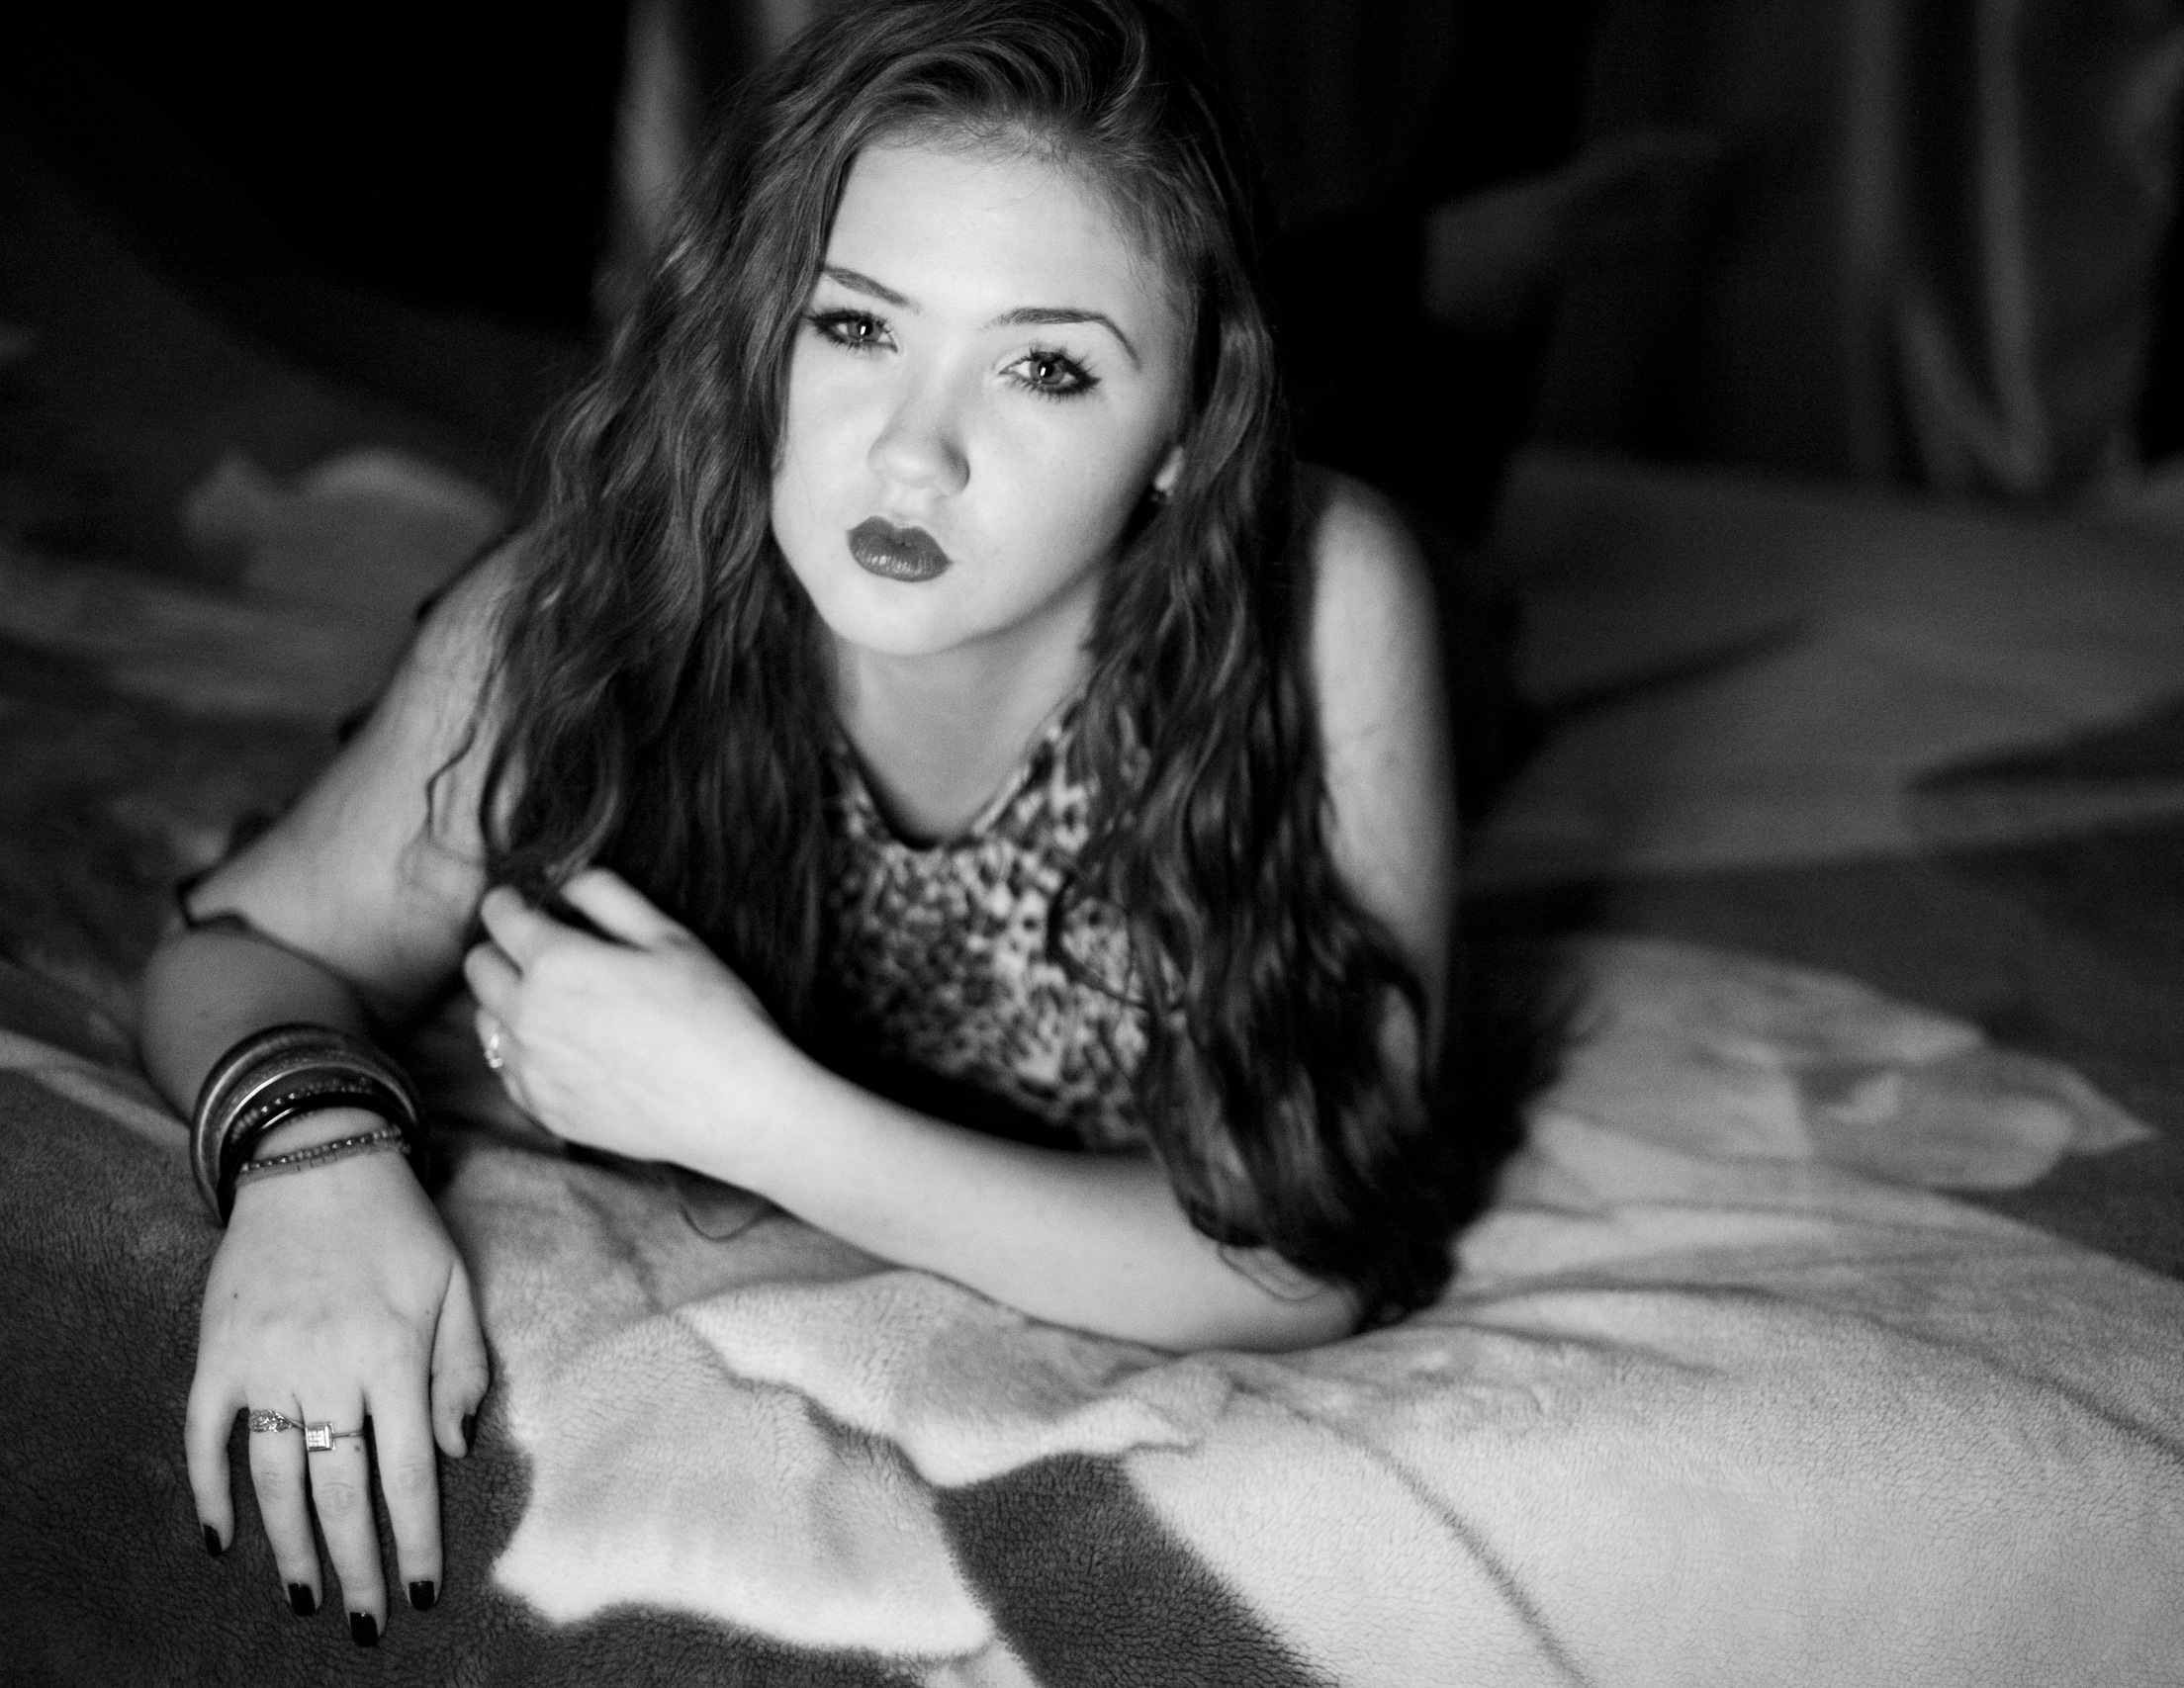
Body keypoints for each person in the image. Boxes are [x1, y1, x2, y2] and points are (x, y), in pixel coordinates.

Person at [138, 0, 1507, 1650]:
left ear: (1180, 425)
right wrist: (312, 1156)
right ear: (762, 330)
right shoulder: (589, 612)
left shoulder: (1317, 598)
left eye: (1047, 367)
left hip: (1388, 616)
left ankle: (1499, 259)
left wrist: (760, 1118)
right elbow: (249, 946)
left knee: (1471, 543)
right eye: (856, 327)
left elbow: (1310, 1252)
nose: (912, 457)